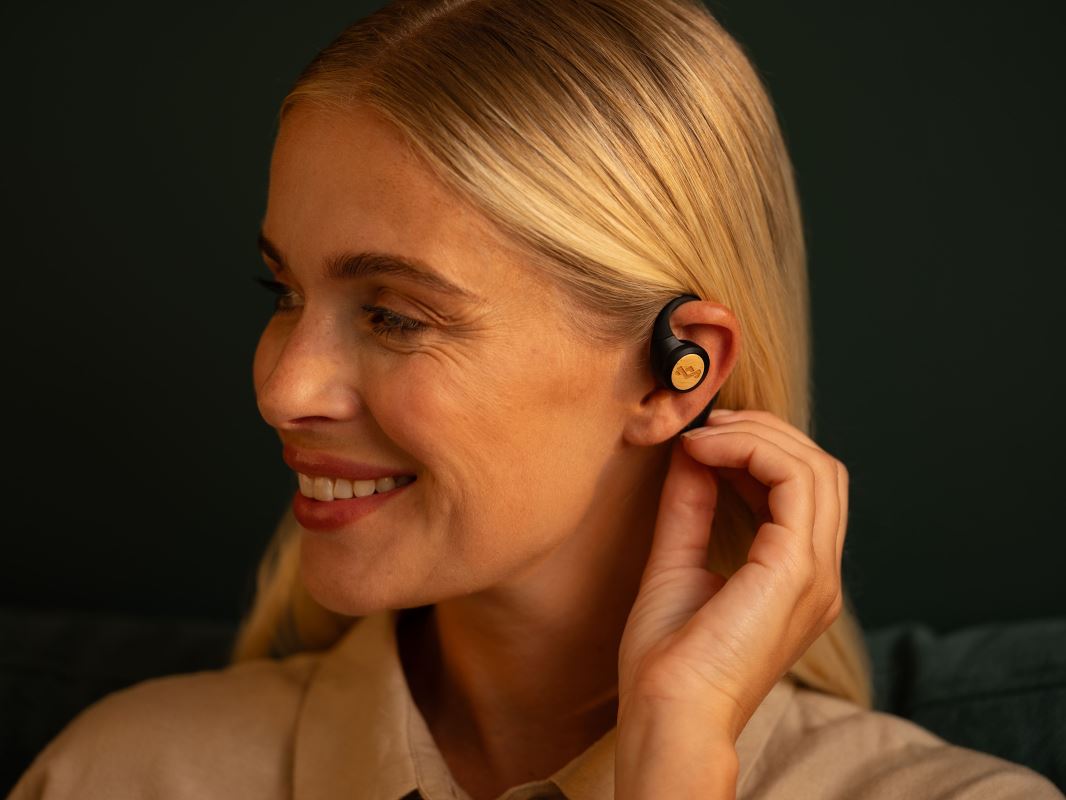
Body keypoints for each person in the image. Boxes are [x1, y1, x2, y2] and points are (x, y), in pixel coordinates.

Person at [9, 1, 1063, 798]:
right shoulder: (123, 774)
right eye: (282, 292)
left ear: (673, 371)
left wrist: (675, 763)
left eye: (395, 315)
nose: (283, 387)